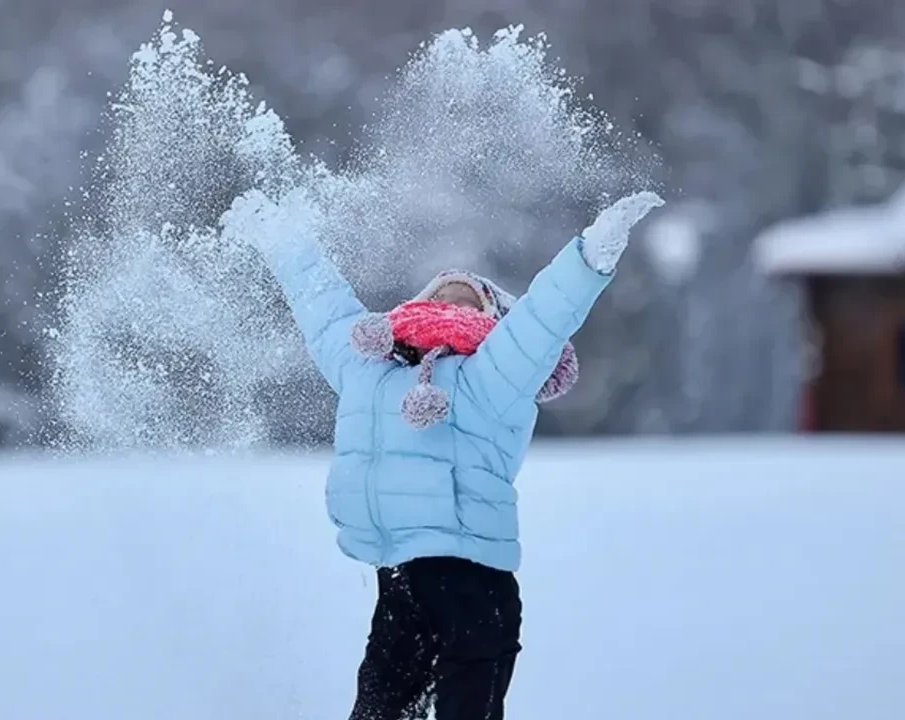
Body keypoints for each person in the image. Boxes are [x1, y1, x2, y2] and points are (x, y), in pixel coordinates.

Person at [223, 187, 663, 719]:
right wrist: (282, 239)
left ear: (495, 319)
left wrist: (591, 256)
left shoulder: (495, 374)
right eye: (442, 295)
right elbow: (323, 305)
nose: (452, 303)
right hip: (400, 583)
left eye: (469, 299)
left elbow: (544, 318)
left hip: (474, 587)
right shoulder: (369, 370)